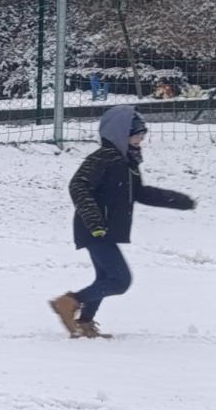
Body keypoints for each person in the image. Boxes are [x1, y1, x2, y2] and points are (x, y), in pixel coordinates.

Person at [50, 104, 195, 339]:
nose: (140, 139)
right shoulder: (103, 158)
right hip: (94, 229)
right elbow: (78, 186)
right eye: (136, 134)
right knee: (120, 280)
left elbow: (140, 193)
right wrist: (94, 221)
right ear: (120, 133)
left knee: (105, 279)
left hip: (104, 230)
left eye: (142, 135)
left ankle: (84, 323)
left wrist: (178, 200)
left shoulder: (127, 163)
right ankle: (69, 303)